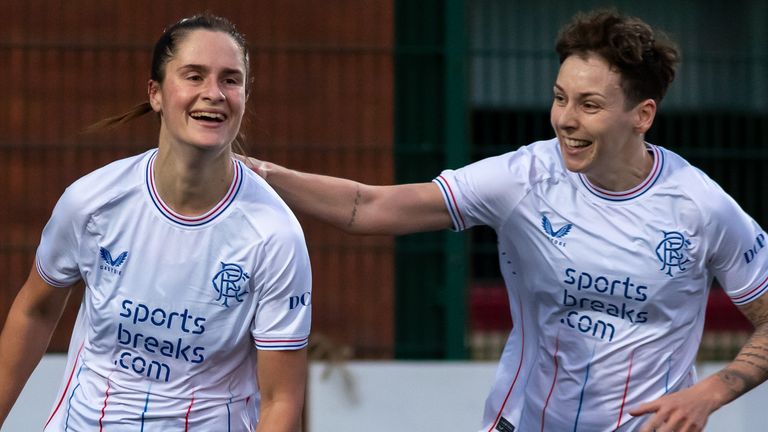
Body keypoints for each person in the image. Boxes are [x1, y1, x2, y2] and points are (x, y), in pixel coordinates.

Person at [247, 9, 768, 432]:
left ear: (643, 115)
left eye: (589, 105)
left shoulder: (702, 207)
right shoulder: (523, 177)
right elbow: (370, 207)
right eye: (560, 98)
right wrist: (262, 173)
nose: (566, 119)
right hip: (522, 423)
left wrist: (712, 392)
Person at [0, 14, 311, 432]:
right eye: (194, 76)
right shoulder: (93, 202)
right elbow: (34, 312)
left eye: (230, 80)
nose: (213, 94)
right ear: (156, 93)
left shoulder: (275, 237)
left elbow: (281, 400)